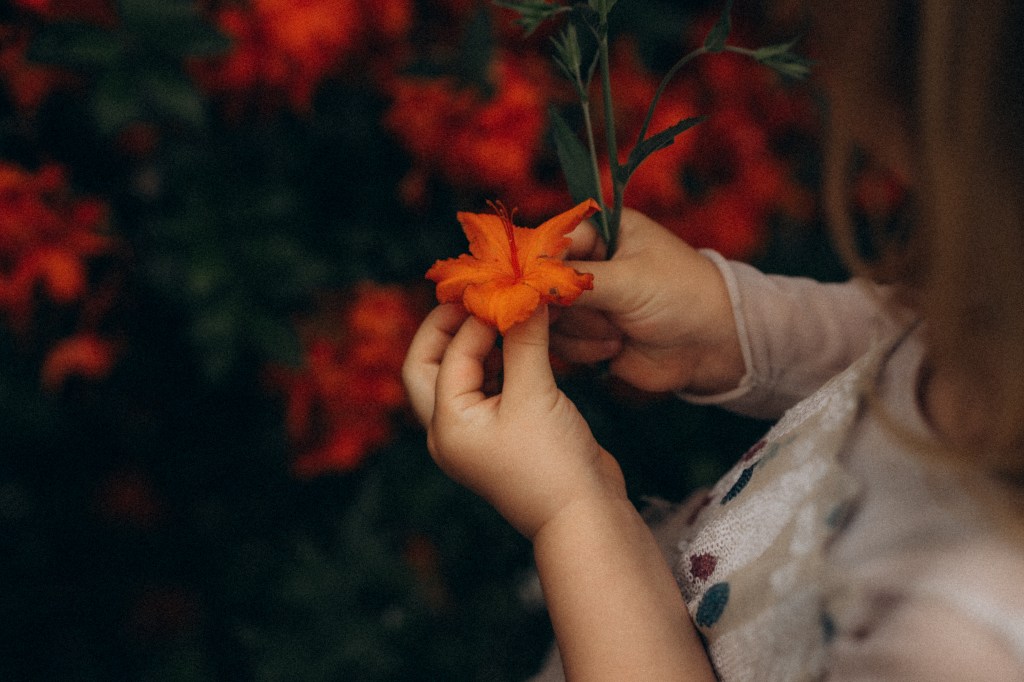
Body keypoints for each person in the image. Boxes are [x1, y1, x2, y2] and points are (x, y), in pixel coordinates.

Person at [402, 0, 1024, 679]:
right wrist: (733, 328)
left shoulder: (958, 645)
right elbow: (918, 333)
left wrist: (575, 512)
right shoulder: (1003, 302)